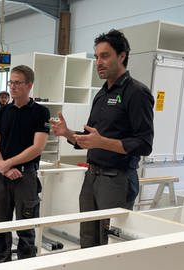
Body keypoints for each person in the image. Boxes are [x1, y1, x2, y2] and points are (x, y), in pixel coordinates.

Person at [50, 29, 154, 248]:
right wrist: (67, 133)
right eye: (96, 56)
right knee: (87, 239)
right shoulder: (102, 93)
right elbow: (91, 137)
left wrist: (102, 142)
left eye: (105, 56)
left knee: (111, 244)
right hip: (92, 176)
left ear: (122, 56)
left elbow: (144, 144)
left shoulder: (136, 93)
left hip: (117, 180)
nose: (98, 62)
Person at [0, 65, 50, 263]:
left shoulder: (41, 112)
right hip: (2, 176)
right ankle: (1, 262)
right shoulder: (2, 112)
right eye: (11, 82)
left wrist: (8, 164)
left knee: (26, 226)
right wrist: (3, 167)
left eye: (17, 83)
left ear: (29, 85)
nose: (12, 87)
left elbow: (37, 147)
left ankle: (27, 264)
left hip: (26, 177)